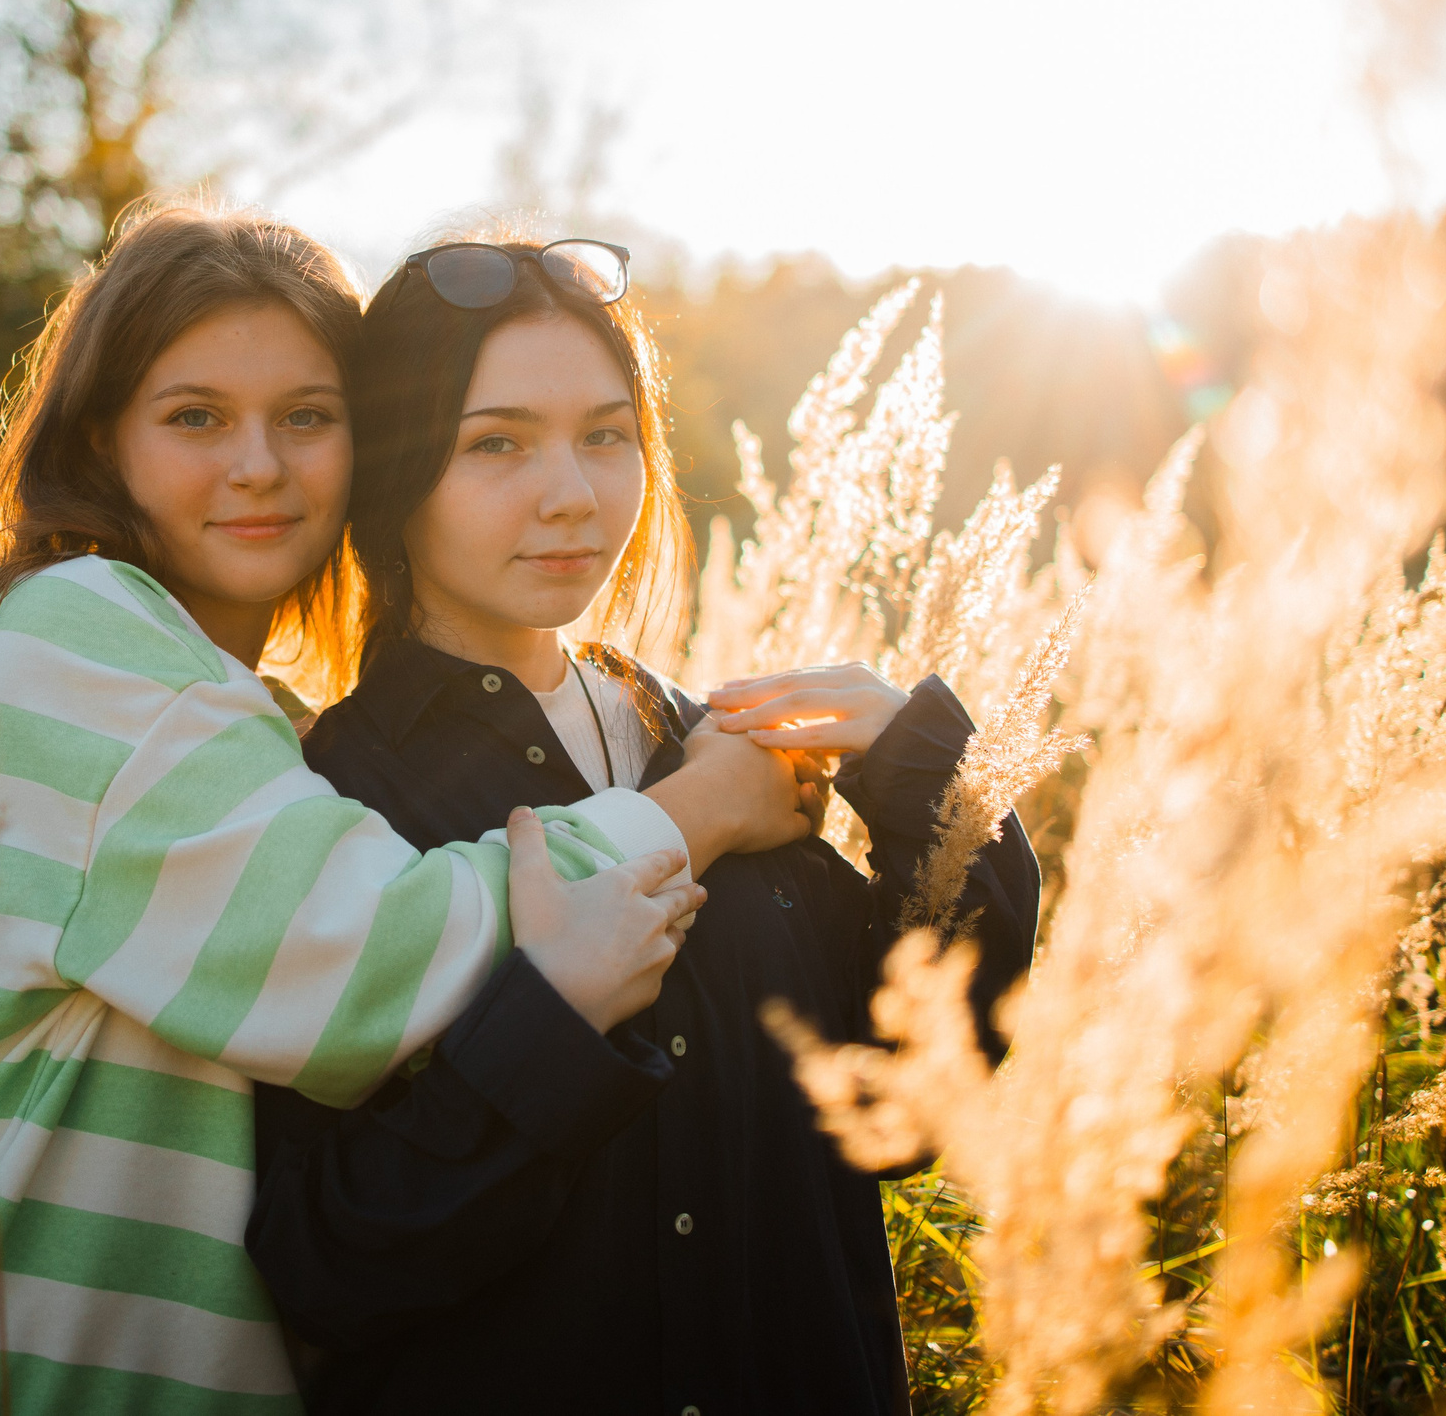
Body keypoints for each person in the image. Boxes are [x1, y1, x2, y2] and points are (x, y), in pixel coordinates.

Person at [0, 204, 811, 1416]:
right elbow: (373, 962)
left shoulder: (257, 731)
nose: (259, 466)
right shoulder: (72, 640)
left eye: (307, 418)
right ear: (101, 440)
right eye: (196, 418)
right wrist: (701, 806)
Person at [245, 230, 1040, 1416]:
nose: (571, 493)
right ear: (397, 467)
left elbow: (912, 1098)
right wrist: (551, 1027)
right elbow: (331, 1264)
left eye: (605, 435)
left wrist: (920, 768)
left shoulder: (721, 748)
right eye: (497, 442)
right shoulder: (334, 798)